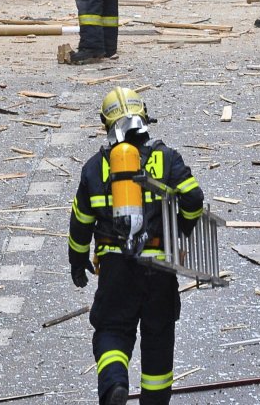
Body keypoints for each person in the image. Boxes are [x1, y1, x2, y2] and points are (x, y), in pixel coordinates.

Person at [68, 87, 205, 405]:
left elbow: (80, 221)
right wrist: (183, 227)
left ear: (106, 124)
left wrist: (77, 259)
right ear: (144, 119)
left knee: (113, 331)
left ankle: (115, 384)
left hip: (117, 267)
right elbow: (194, 199)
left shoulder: (94, 167)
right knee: (158, 339)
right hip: (159, 266)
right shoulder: (166, 158)